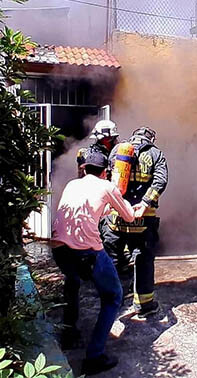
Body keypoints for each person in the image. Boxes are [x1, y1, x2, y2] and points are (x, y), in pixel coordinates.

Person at [51, 151, 135, 376]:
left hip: (59, 249)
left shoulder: (71, 184)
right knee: (113, 296)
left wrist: (108, 205)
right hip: (86, 252)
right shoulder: (107, 186)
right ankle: (94, 357)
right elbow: (128, 216)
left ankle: (69, 333)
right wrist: (132, 204)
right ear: (105, 171)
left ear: (84, 168)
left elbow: (90, 207)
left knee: (73, 282)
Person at [103, 126, 168, 318]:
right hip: (142, 218)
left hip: (116, 218)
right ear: (151, 138)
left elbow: (107, 178)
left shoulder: (117, 150)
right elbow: (161, 181)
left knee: (113, 259)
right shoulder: (156, 154)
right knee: (143, 259)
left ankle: (112, 301)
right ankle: (144, 305)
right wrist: (145, 202)